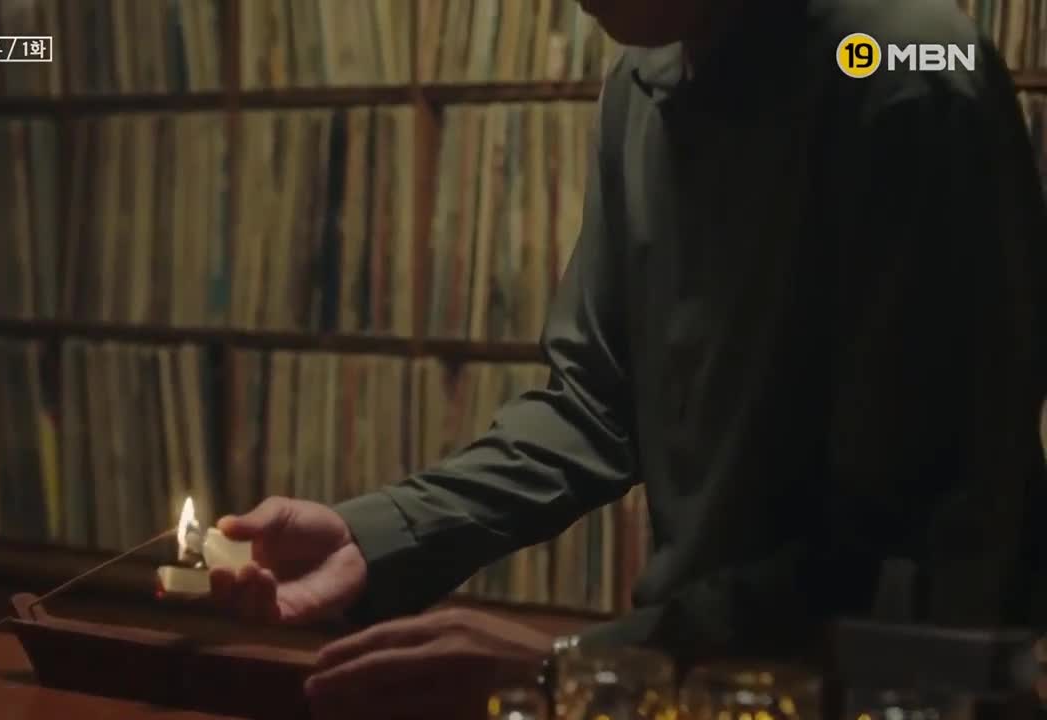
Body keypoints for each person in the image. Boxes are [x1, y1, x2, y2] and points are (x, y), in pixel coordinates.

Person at [211, 0, 1047, 716]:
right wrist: (377, 538)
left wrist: (578, 666)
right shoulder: (642, 83)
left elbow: (896, 547)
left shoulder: (907, 69)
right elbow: (594, 405)